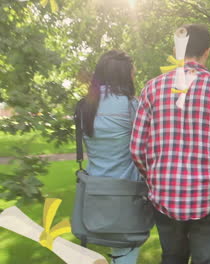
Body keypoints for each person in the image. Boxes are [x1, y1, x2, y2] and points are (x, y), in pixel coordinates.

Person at [130, 24, 210, 264]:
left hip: (164, 194)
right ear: (207, 52)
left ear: (177, 49)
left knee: (172, 257)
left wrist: (155, 177)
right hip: (206, 196)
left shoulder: (152, 88)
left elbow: (136, 148)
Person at [79, 50, 142, 264]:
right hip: (126, 193)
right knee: (125, 254)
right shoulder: (131, 106)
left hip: (95, 191)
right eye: (133, 74)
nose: (134, 77)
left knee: (117, 254)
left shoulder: (84, 107)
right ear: (124, 76)